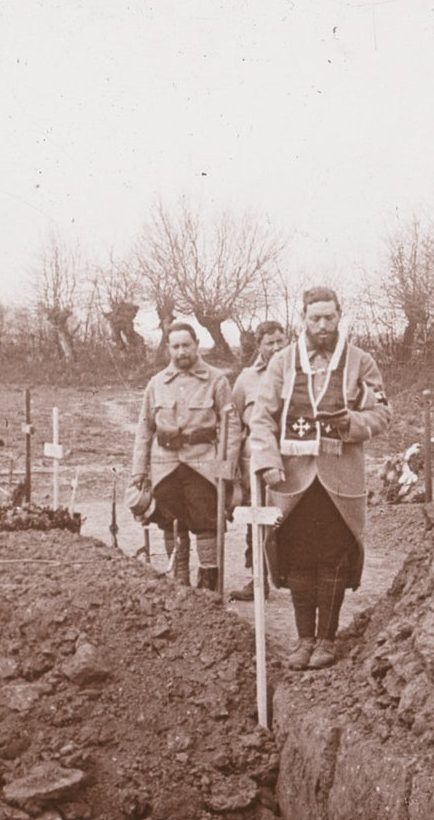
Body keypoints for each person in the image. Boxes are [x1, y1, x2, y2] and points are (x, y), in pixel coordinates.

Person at [249, 286, 392, 671]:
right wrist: (266, 461)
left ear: (340, 315)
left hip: (338, 478)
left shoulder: (360, 362)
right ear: (304, 319)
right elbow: (260, 417)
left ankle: (327, 640)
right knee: (297, 558)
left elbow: (382, 414)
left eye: (330, 317)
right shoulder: (281, 362)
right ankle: (303, 640)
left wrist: (352, 423)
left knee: (332, 558)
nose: (323, 325)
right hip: (292, 478)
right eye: (316, 318)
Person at [130, 322, 237, 591]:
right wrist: (138, 472)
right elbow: (145, 428)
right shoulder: (157, 383)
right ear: (168, 349)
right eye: (175, 346)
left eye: (186, 345)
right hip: (165, 464)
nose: (181, 352)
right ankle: (179, 582)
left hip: (202, 462)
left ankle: (208, 582)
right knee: (169, 522)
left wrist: (226, 468)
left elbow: (231, 427)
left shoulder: (216, 380)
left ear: (196, 344)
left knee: (205, 521)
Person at [227, 319, 288, 602]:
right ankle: (257, 578)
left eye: (280, 341)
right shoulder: (246, 379)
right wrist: (235, 463)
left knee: (291, 516)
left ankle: (292, 577)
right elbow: (234, 421)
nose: (276, 348)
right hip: (257, 460)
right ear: (259, 346)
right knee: (257, 518)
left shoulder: (299, 373)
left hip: (292, 457)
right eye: (269, 343)